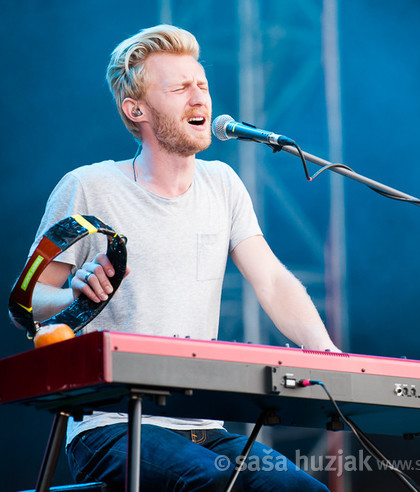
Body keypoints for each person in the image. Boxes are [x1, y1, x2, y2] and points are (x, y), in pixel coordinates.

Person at [28, 24, 337, 491]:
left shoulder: (223, 184)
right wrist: (74, 292)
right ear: (136, 109)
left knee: (301, 490)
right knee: (211, 486)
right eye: (180, 88)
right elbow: (28, 303)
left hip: (208, 428)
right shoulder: (87, 186)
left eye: (203, 85)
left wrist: (326, 352)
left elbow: (271, 280)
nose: (200, 98)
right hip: (110, 427)